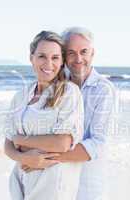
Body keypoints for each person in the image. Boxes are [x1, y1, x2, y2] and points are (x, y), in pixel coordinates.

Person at [12, 27, 114, 200]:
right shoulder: (54, 83)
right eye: (71, 53)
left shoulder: (104, 90)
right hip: (48, 181)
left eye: (84, 52)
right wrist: (29, 156)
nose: (78, 59)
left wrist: (41, 159)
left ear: (93, 53)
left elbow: (97, 143)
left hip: (86, 183)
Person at [4, 31, 84, 200]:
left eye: (55, 57)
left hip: (53, 186)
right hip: (22, 181)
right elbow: (7, 144)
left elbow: (62, 143)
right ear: (31, 58)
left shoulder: (69, 92)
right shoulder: (21, 96)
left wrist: (20, 140)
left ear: (62, 61)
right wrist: (24, 157)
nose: (48, 63)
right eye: (42, 56)